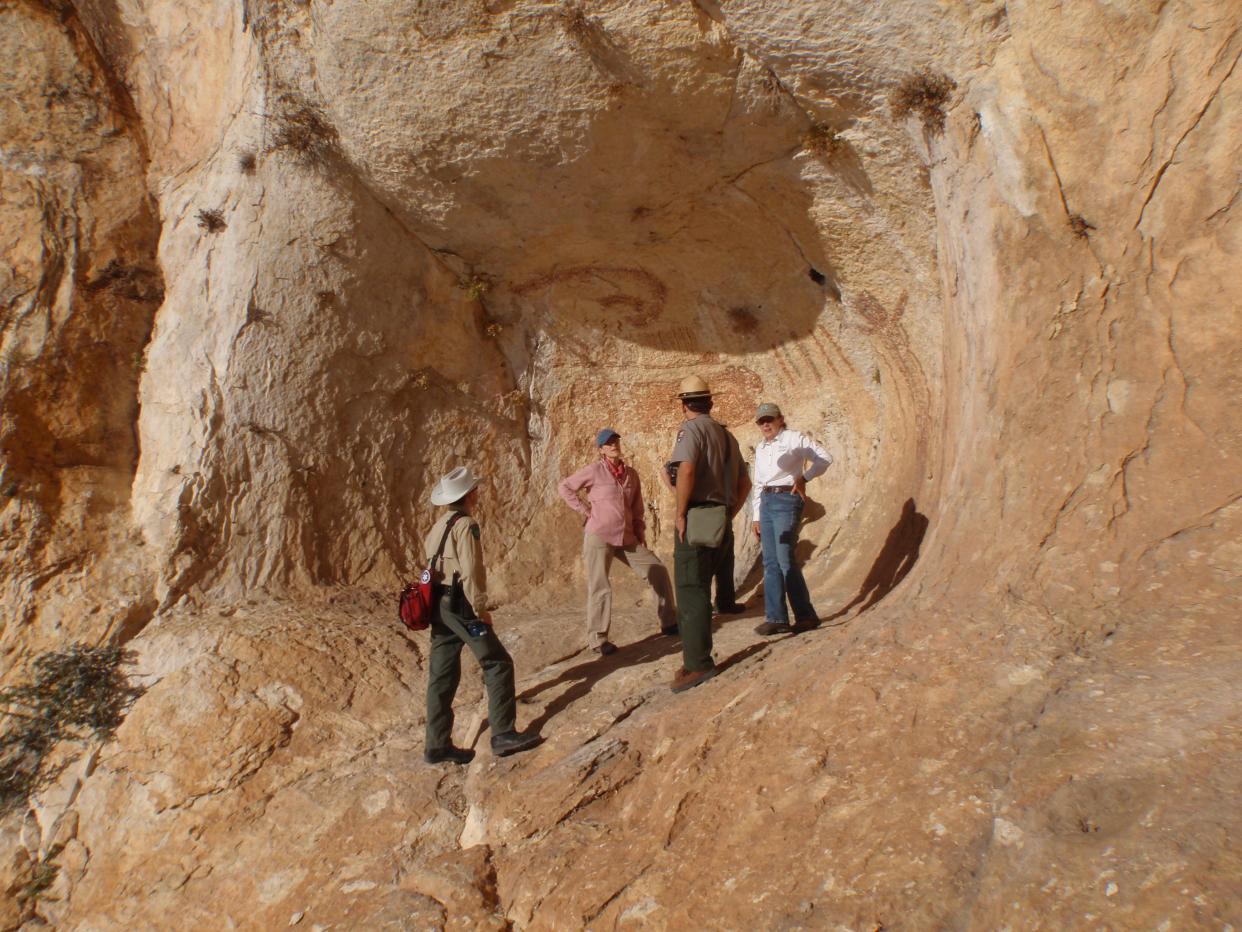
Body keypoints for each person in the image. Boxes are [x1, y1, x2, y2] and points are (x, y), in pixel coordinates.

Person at [422, 465, 540, 764]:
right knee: (498, 662)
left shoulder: (437, 527)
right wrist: (480, 609)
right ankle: (502, 734)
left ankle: (436, 745)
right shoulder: (467, 525)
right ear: (470, 494)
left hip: (438, 604)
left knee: (441, 675)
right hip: (461, 604)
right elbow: (471, 571)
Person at [558, 428, 677, 654]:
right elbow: (564, 487)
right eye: (608, 443)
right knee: (600, 586)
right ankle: (598, 640)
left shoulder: (631, 474)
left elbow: (637, 507)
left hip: (627, 536)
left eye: (615, 441)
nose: (614, 445)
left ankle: (669, 621)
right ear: (601, 450)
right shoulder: (594, 471)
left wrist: (640, 533)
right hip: (599, 535)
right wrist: (585, 510)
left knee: (657, 569)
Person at [667, 376, 751, 692]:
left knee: (691, 590)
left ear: (684, 403)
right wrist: (729, 512)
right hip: (720, 518)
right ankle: (697, 658)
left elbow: (686, 468)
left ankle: (698, 664)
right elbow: (745, 483)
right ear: (709, 402)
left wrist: (679, 510)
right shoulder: (727, 436)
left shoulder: (690, 430)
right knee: (703, 586)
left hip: (697, 516)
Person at [749, 403, 833, 635]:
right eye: (761, 421)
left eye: (770, 419)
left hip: (786, 500)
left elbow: (824, 458)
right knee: (770, 561)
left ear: (780, 419)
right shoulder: (761, 447)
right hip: (767, 502)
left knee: (785, 558)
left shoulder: (793, 439)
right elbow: (758, 483)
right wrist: (756, 515)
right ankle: (777, 618)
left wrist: (804, 478)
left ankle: (806, 616)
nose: (765, 424)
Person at [660, 460, 746, 616]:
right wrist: (676, 493)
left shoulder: (707, 456)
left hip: (716, 511)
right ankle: (703, 605)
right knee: (705, 561)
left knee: (725, 558)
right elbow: (667, 472)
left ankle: (725, 602)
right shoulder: (690, 456)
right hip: (699, 513)